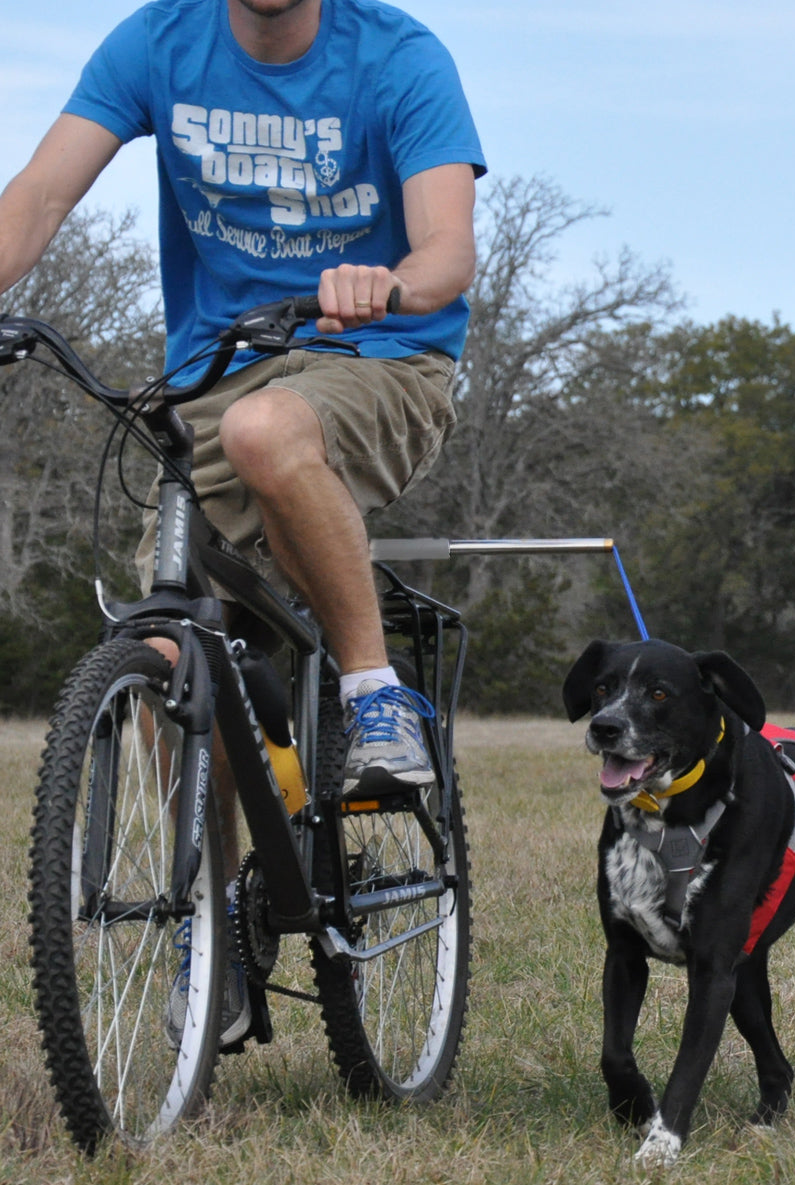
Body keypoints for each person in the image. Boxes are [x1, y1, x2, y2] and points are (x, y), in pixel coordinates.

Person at [0, 0, 486, 1045]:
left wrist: (386, 284)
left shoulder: (399, 57)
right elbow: (37, 197)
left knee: (272, 433)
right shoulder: (156, 44)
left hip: (382, 361)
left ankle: (373, 694)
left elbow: (450, 251)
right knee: (171, 652)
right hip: (211, 377)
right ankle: (211, 927)